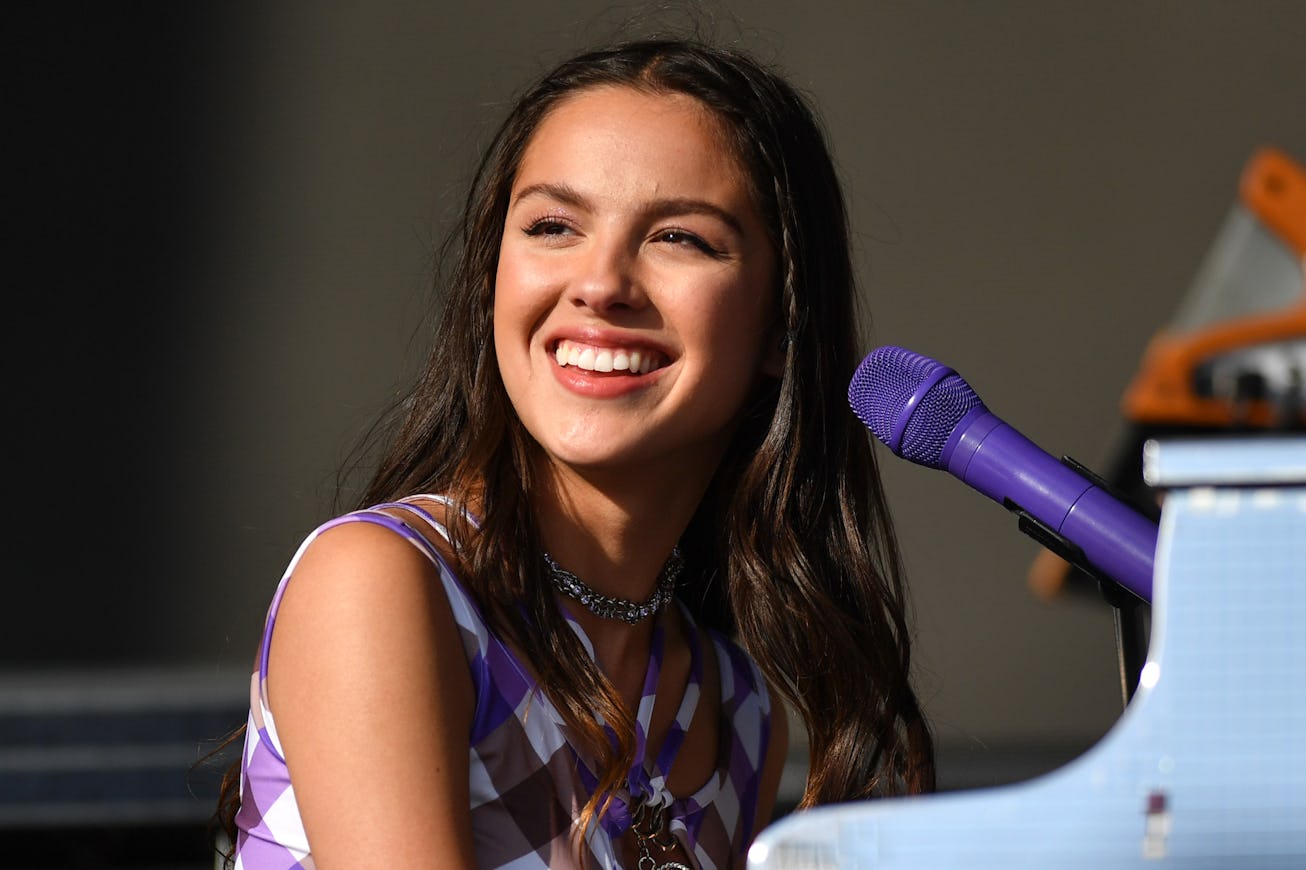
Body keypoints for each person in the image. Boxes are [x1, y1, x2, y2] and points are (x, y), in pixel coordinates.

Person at [213, 36, 935, 870]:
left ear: (781, 322)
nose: (600, 283)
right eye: (553, 226)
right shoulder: (383, 582)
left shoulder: (738, 710)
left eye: (680, 239)